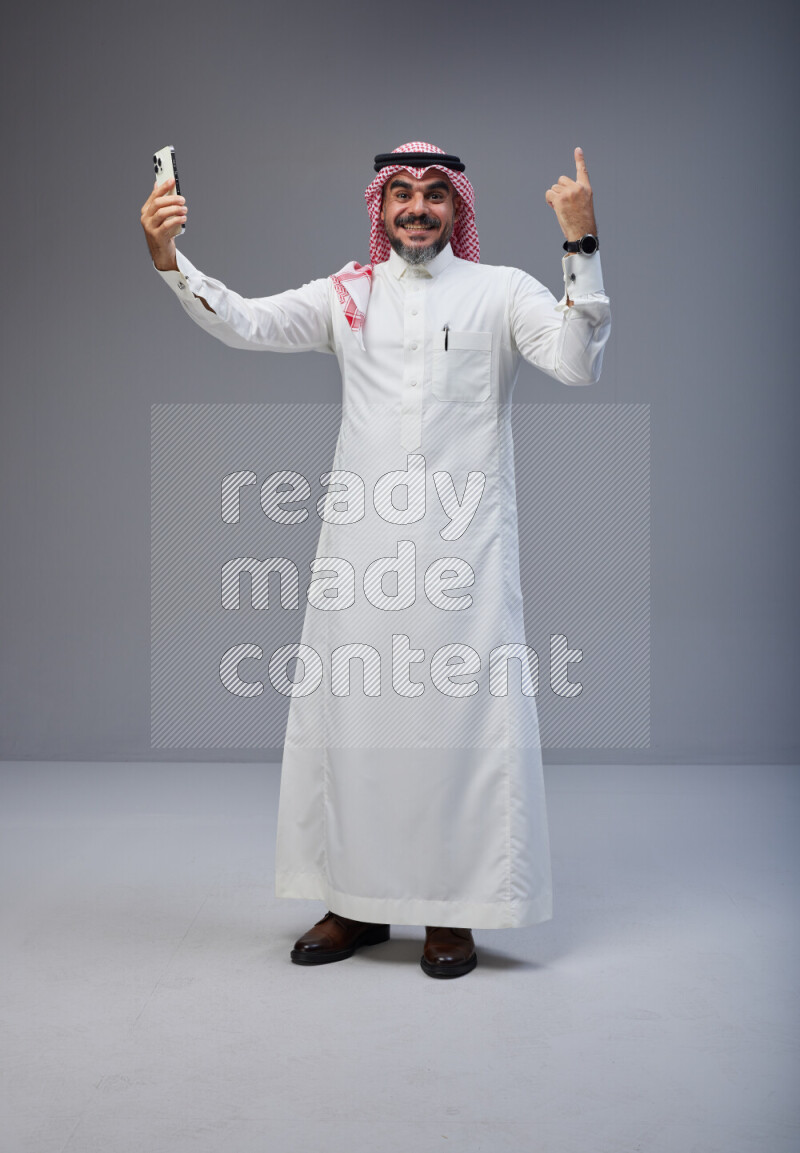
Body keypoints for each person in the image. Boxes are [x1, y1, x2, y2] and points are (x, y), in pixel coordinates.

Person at [141, 140, 611, 979]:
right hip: (360, 554)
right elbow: (244, 321)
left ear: (457, 208)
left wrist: (581, 246)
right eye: (403, 193)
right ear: (379, 207)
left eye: (436, 193)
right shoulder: (345, 296)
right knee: (354, 727)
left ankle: (451, 911)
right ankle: (353, 903)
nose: (419, 207)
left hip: (465, 555)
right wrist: (169, 259)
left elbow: (575, 364)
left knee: (458, 732)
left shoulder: (502, 291)